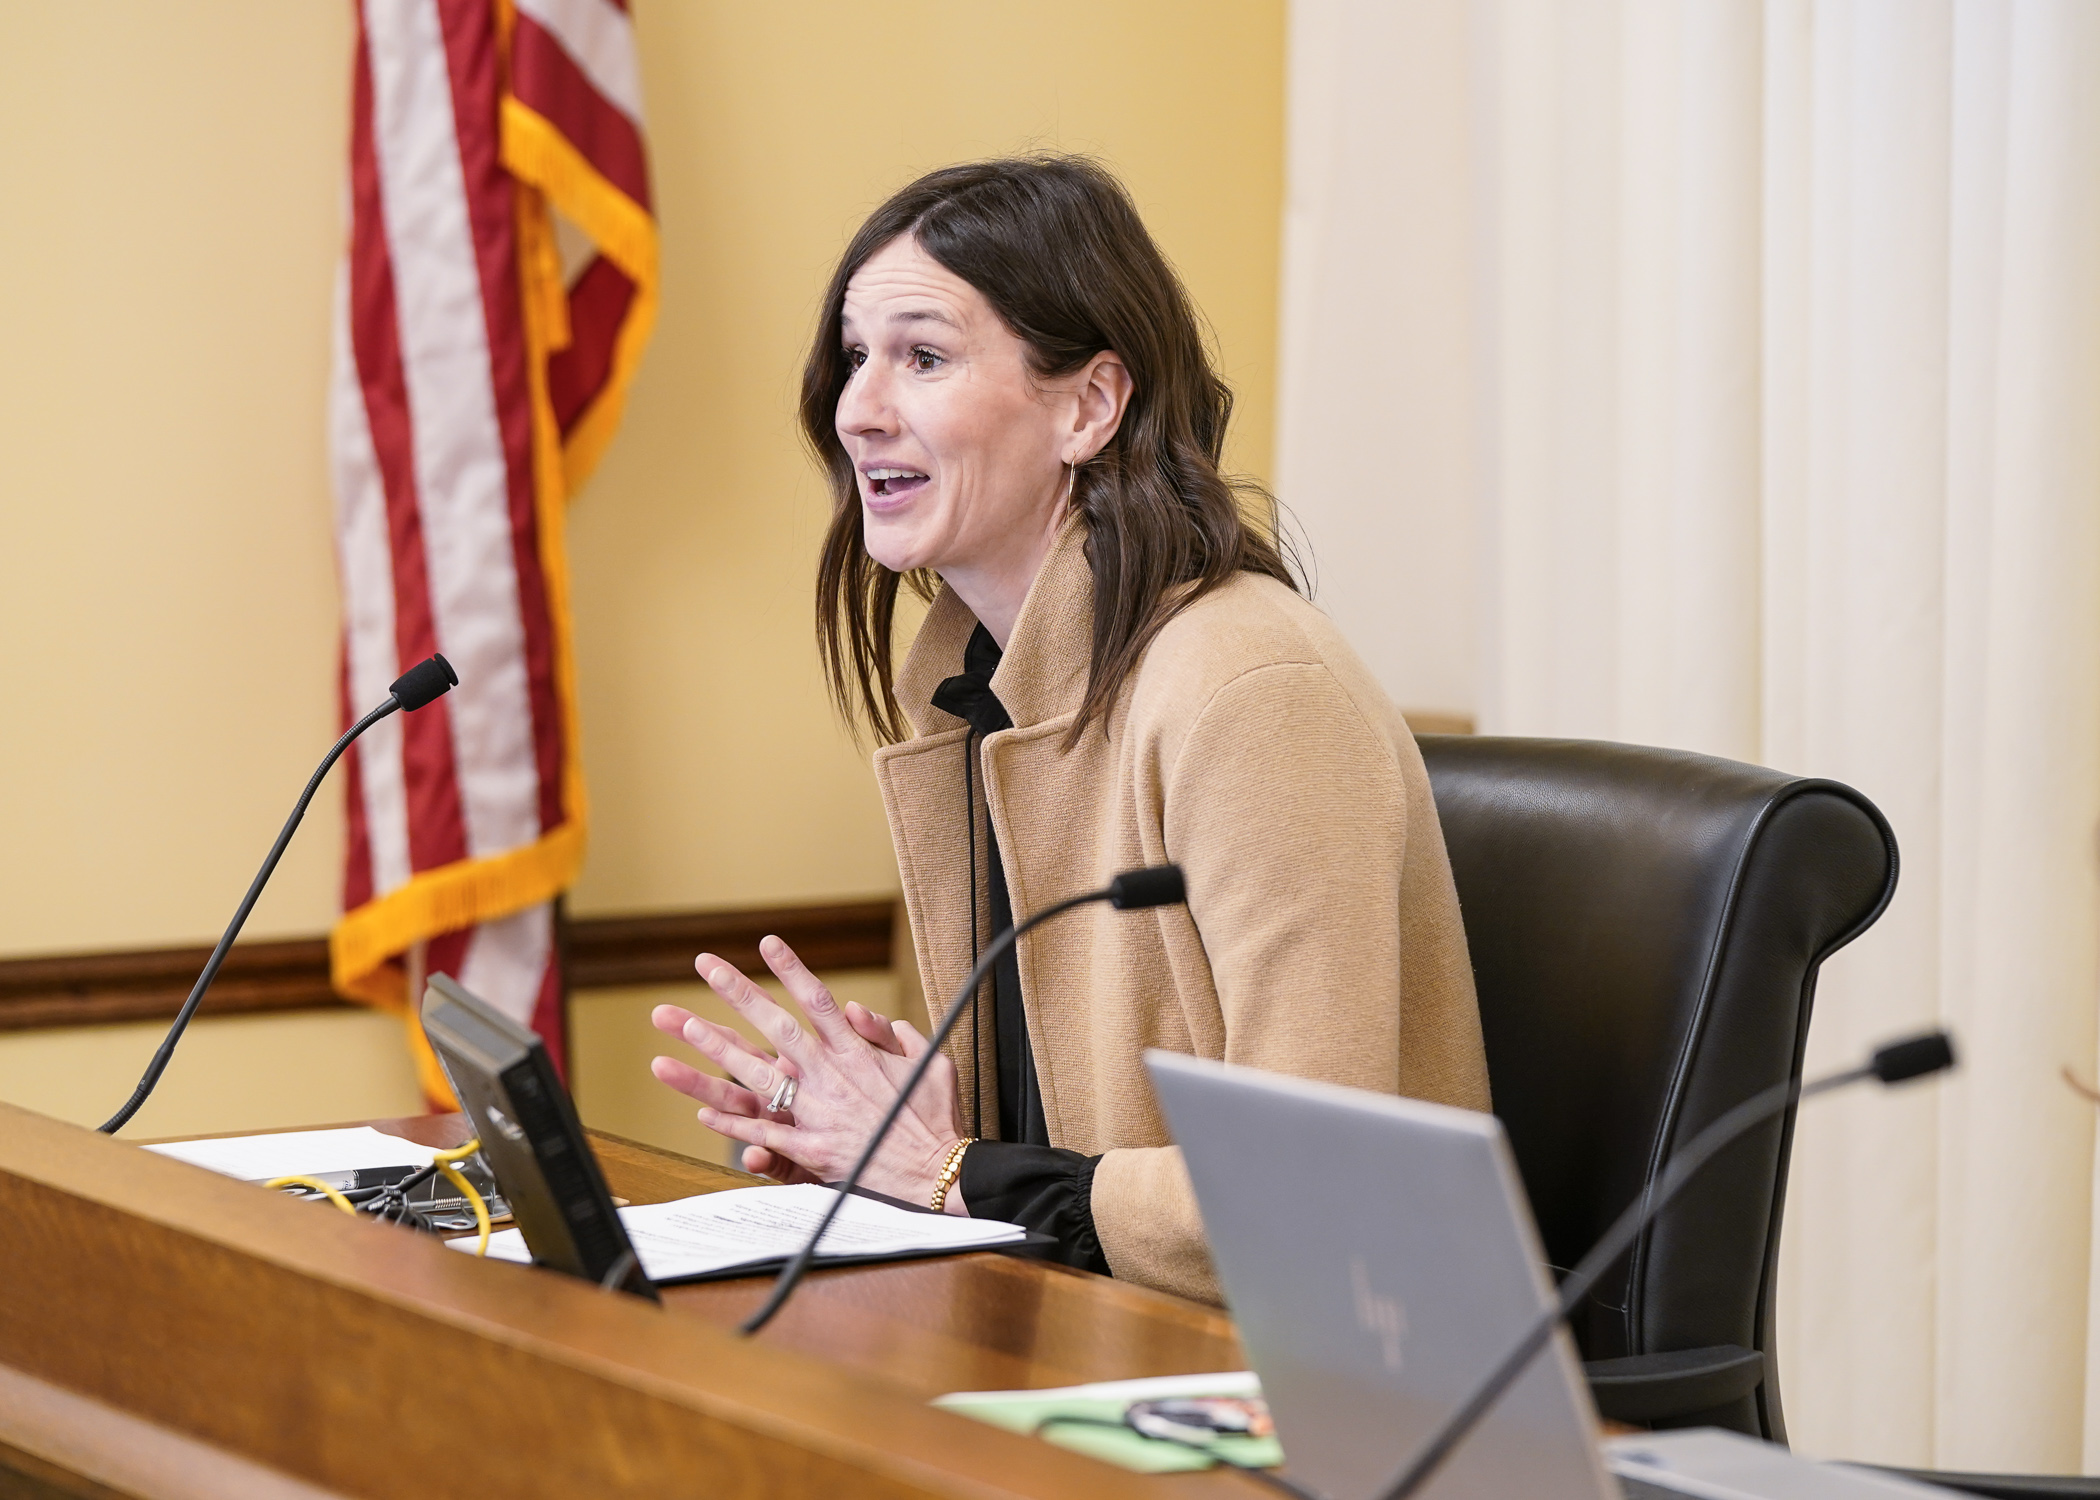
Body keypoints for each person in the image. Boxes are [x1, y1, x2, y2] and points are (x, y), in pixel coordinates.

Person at [648, 156, 1489, 1304]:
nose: (857, 408)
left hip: (1318, 1388)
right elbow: (1064, 1149)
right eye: (857, 357)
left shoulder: (1250, 687)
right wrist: (904, 1129)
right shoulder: (973, 686)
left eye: (924, 357)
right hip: (1093, 1340)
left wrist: (952, 1169)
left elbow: (1317, 1192)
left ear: (1089, 405)